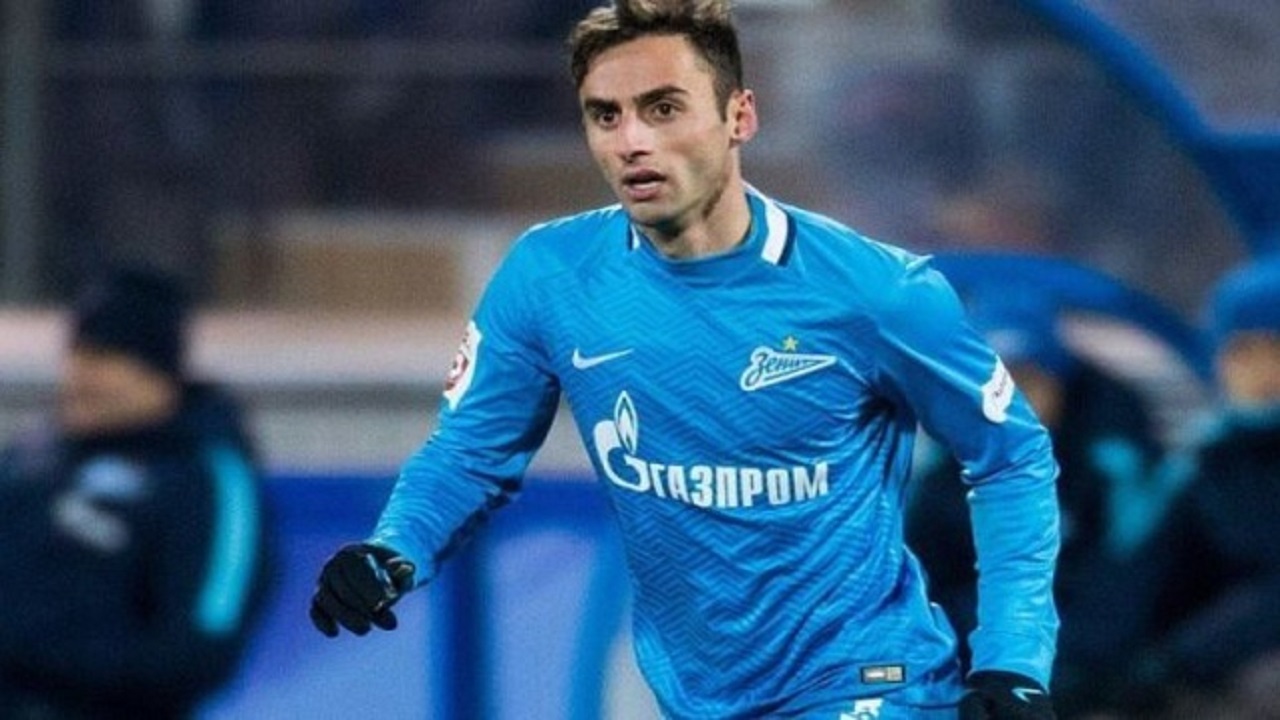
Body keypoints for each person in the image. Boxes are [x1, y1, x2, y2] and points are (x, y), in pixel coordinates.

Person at [310, 2, 1061, 717]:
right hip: (696, 698)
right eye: (606, 115)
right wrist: (392, 549)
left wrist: (1012, 658)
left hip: (868, 680)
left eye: (663, 109)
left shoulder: (875, 291)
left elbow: (1010, 456)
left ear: (740, 116)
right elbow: (471, 451)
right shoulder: (550, 276)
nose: (631, 141)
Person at [0, 266, 275, 719]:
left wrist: (33, 656)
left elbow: (199, 648)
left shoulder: (205, 480)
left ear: (158, 375)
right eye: (76, 355)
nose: (79, 376)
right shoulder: (34, 457)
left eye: (103, 359)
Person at [903, 291, 1164, 717]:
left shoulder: (1111, 466)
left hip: (1091, 670)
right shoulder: (941, 479)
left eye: (1029, 381)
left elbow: (1128, 580)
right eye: (994, 384)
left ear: (1060, 385)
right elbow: (919, 595)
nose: (1010, 401)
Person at [1087, 257, 1280, 718]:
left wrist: (1179, 661)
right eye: (1242, 353)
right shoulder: (1207, 460)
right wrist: (1093, 670)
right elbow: (1140, 572)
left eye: (1276, 351)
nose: (1262, 373)